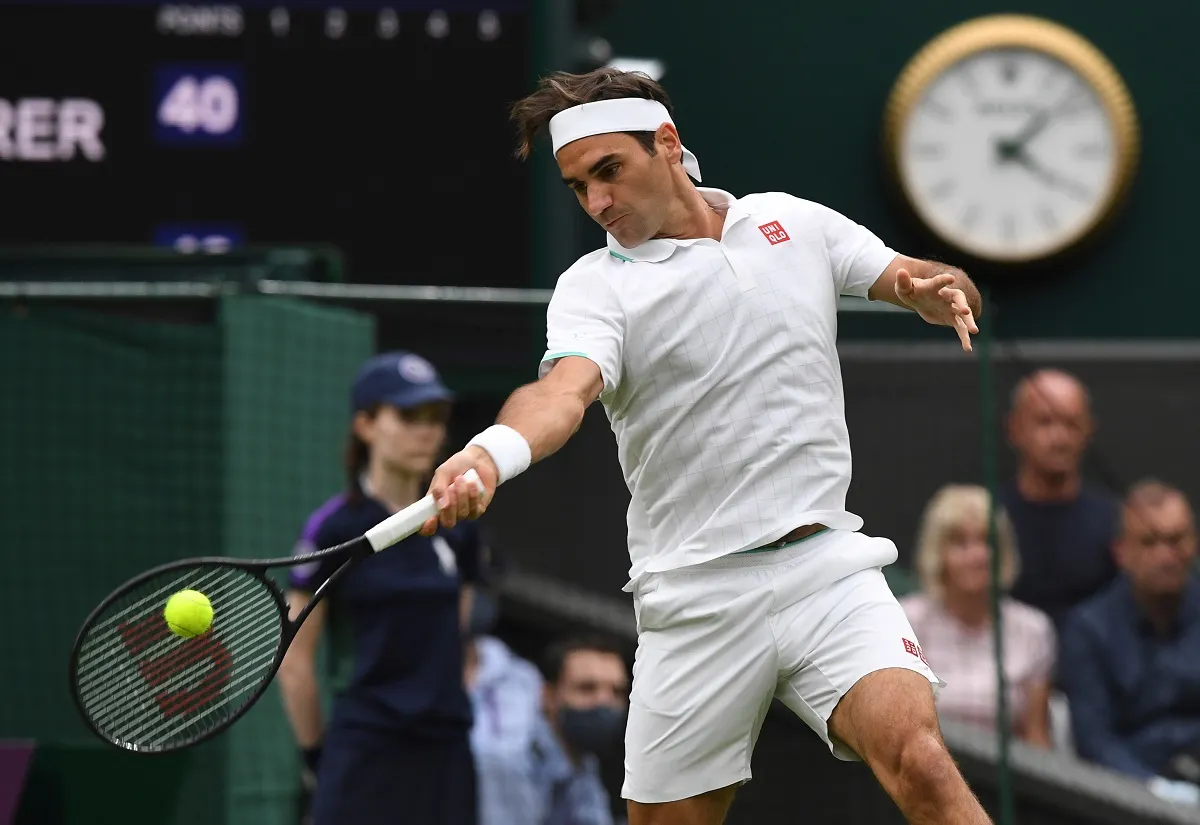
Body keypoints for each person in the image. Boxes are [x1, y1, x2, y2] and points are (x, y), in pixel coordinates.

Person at [420, 68, 992, 825]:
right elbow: (563, 393)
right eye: (577, 187)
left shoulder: (794, 225)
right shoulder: (597, 286)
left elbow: (922, 278)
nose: (597, 203)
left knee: (919, 759)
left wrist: (934, 287)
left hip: (827, 570)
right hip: (696, 599)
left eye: (608, 172)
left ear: (666, 144)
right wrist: (491, 452)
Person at [277, 351, 484, 825]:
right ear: (366, 425)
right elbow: (295, 661)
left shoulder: (460, 524)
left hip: (445, 750)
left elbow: (460, 632)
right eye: (409, 415)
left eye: (436, 417)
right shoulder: (334, 528)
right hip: (366, 747)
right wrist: (315, 756)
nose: (426, 430)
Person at [1059, 480, 1200, 805]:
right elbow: (1094, 740)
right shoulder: (1089, 629)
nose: (1166, 556)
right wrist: (1154, 794)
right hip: (1130, 797)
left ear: (1193, 543)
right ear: (1121, 552)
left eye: (1176, 540)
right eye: (1150, 543)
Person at [900, 484, 1056, 748]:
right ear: (938, 553)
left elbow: (1037, 738)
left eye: (987, 541)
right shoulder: (906, 622)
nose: (977, 555)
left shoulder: (1033, 630)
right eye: (960, 543)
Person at [1003, 369, 1120, 634]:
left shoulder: (1113, 521)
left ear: (1089, 430)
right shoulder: (988, 519)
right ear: (1014, 428)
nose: (1059, 438)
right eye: (1044, 422)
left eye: (1071, 424)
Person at [465, 553, 547, 825]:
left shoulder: (522, 679)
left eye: (487, 586)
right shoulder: (406, 672)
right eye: (469, 583)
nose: (477, 596)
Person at [531, 635, 629, 825]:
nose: (605, 702)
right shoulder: (517, 761)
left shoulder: (584, 764)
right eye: (587, 688)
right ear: (548, 696)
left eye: (616, 692)